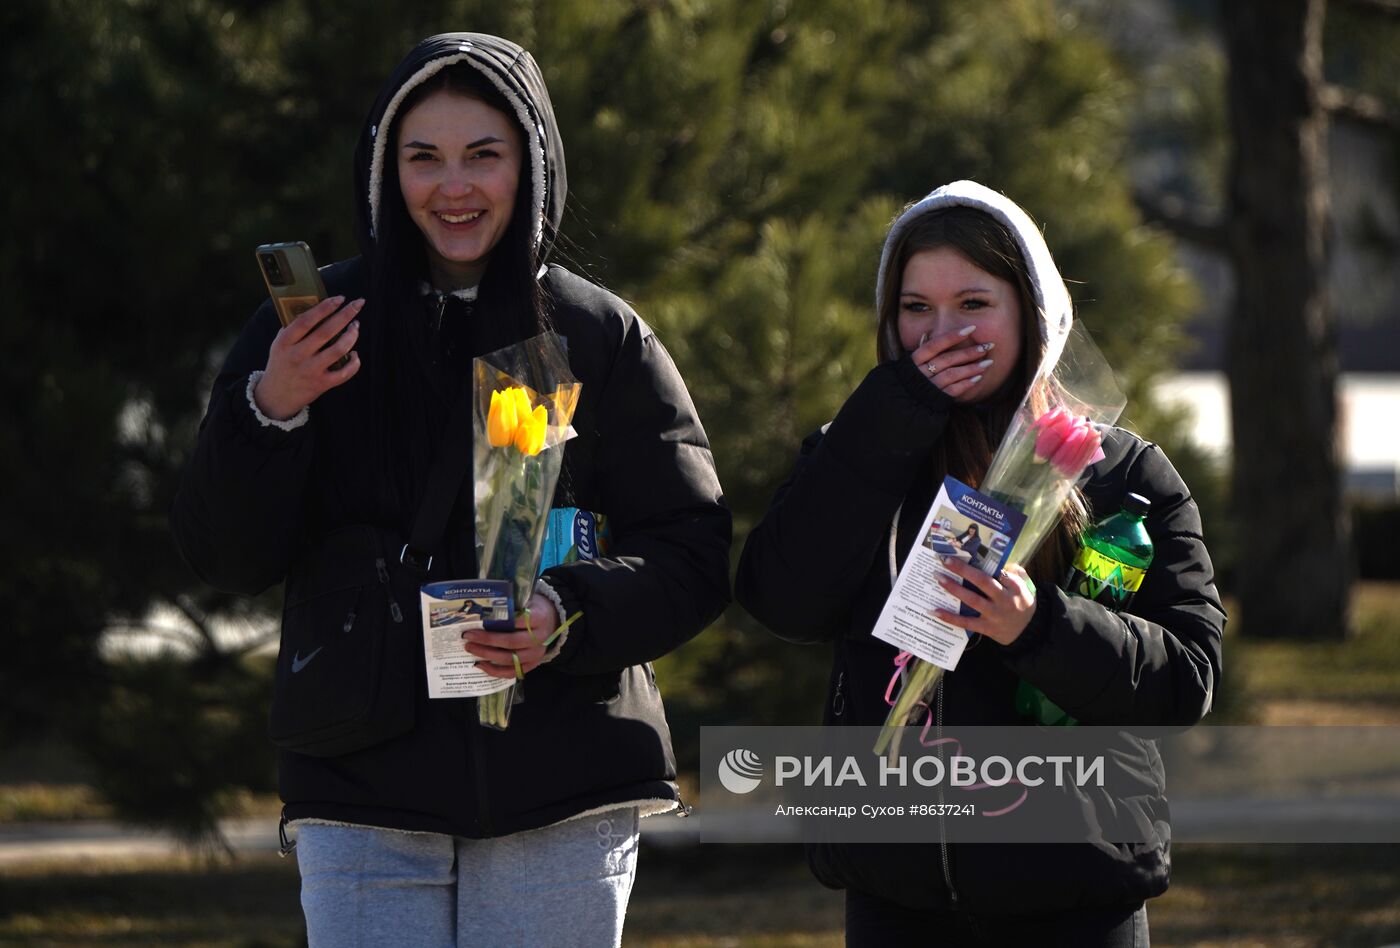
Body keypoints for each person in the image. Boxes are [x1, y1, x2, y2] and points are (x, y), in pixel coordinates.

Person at [171, 33, 730, 947]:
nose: (453, 187)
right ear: (385, 173)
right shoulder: (313, 332)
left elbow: (694, 548)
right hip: (360, 786)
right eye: (423, 158)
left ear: (533, 166)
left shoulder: (599, 334)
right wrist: (271, 408)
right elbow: (219, 553)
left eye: (484, 155)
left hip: (565, 785)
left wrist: (566, 610)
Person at [735, 180, 1224, 946]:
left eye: (973, 305)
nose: (942, 334)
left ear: (1032, 314)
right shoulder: (854, 450)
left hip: (1075, 895)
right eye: (915, 309)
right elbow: (781, 601)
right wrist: (885, 421)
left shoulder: (1118, 471)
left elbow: (1187, 677)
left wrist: (1039, 627)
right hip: (895, 896)